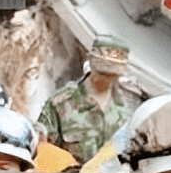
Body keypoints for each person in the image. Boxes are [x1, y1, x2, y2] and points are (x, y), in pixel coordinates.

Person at [37, 35, 141, 165]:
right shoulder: (61, 103)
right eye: (103, 69)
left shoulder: (130, 109)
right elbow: (42, 151)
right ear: (91, 59)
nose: (105, 76)